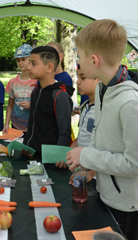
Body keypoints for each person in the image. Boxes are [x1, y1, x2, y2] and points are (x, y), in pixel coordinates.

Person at [66, 19, 138, 240]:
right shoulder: (101, 88)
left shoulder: (130, 103)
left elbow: (134, 164)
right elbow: (100, 133)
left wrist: (86, 155)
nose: (78, 65)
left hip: (126, 206)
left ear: (94, 60)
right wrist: (89, 167)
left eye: (79, 59)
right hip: (104, 193)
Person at [23, 46, 75, 159]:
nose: (28, 67)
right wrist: (27, 145)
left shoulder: (60, 96)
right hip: (31, 156)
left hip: (50, 160)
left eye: (33, 63)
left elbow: (64, 133)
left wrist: (58, 157)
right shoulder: (35, 91)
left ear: (49, 67)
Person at [56, 64, 99, 184]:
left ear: (99, 79)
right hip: (81, 171)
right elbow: (82, 137)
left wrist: (91, 173)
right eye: (78, 77)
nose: (77, 82)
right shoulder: (85, 106)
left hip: (96, 178)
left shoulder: (104, 109)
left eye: (83, 78)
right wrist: (67, 156)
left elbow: (106, 147)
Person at [3, 44, 37, 134]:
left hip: (33, 126)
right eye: (18, 60)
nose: (20, 63)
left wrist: (31, 104)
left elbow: (43, 103)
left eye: (23, 59)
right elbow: (10, 105)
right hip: (16, 125)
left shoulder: (37, 81)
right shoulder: (13, 82)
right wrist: (6, 124)